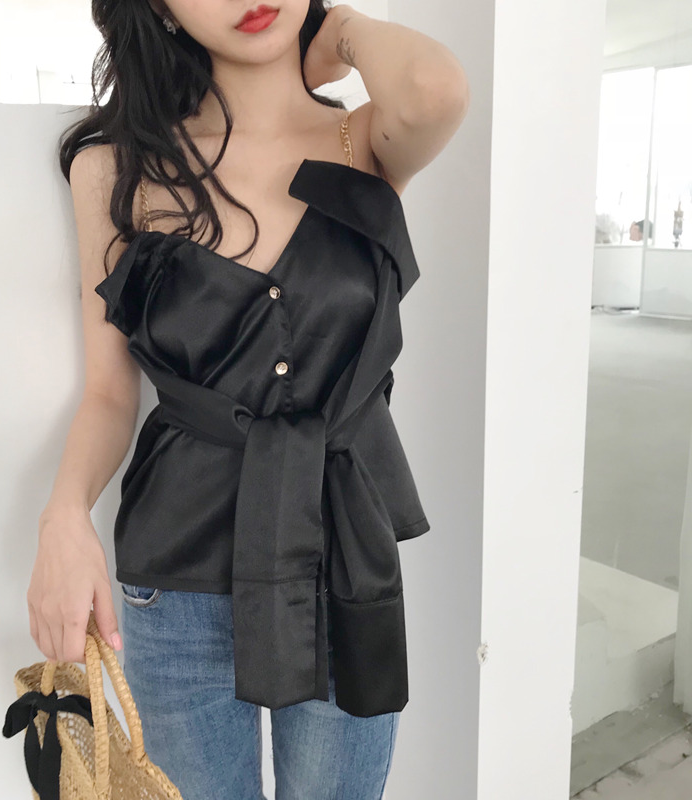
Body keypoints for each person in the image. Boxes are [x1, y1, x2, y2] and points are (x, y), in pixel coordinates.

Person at [29, 2, 468, 798]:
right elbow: (108, 390)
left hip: (341, 559)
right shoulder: (115, 167)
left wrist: (338, 34)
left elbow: (436, 87)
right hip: (178, 573)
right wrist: (63, 518)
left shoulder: (362, 141)